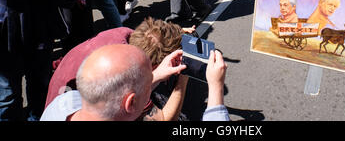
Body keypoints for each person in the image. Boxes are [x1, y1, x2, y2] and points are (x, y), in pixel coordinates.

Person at [44, 18, 194, 120]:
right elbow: (164, 119)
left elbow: (153, 36)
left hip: (59, 96)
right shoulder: (130, 85)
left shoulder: (124, 34)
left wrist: (177, 33)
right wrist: (184, 77)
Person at [41, 44, 229, 121]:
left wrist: (154, 76)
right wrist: (215, 87)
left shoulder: (63, 103)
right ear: (130, 103)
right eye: (149, 87)